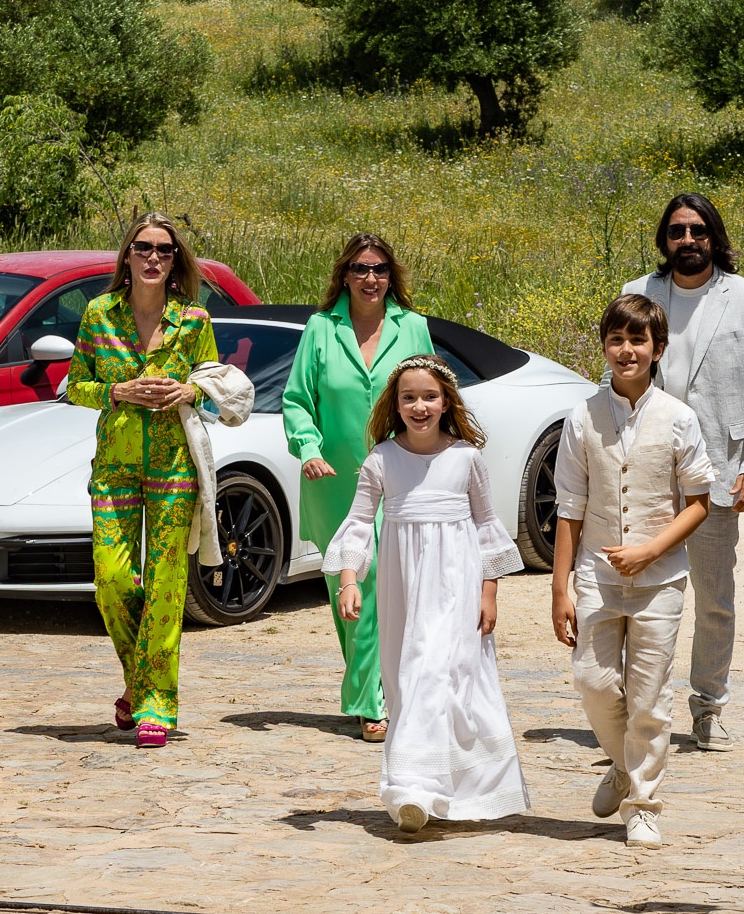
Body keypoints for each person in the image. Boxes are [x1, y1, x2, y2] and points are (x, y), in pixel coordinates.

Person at [324, 355, 530, 834]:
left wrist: (489, 592)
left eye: (429, 397)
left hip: (457, 586)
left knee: (445, 676)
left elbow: (486, 527)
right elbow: (358, 522)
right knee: (411, 678)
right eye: (409, 397)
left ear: (446, 402)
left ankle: (415, 790)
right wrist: (350, 579)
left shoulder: (466, 458)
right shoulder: (381, 459)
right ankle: (416, 788)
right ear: (395, 405)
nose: (419, 406)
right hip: (404, 589)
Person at [551, 295, 715, 848]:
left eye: (638, 340)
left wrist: (650, 550)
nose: (627, 350)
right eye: (616, 340)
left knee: (650, 697)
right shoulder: (581, 417)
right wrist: (560, 589)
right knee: (592, 682)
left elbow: (699, 502)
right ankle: (622, 765)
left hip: (659, 581)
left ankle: (642, 802)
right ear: (604, 347)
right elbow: (569, 508)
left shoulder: (679, 418)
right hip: (596, 578)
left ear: (657, 349)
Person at [618, 194, 744, 751]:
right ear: (664, 239)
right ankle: (642, 710)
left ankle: (709, 707)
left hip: (718, 473)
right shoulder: (638, 293)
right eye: (676, 231)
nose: (687, 240)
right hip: (649, 470)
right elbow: (619, 375)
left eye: (698, 230)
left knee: (713, 600)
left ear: (715, 236)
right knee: (642, 595)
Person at [68, 213, 222, 750]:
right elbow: (75, 385)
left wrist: (189, 392)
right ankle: (139, 681)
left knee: (165, 583)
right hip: (115, 463)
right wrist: (117, 391)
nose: (153, 257)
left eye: (164, 249)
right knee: (111, 578)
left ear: (176, 260)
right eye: (143, 247)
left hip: (174, 465)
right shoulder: (99, 313)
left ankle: (156, 702)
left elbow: (213, 384)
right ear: (127, 256)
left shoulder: (194, 320)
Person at [282, 234, 435, 742]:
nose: (371, 278)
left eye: (380, 269)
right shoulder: (320, 330)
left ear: (392, 275)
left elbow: (432, 394)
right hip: (332, 484)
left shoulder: (413, 327)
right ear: (344, 275)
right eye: (361, 269)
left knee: (382, 588)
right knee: (349, 594)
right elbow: (297, 400)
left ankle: (373, 700)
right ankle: (373, 691)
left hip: (400, 478)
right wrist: (308, 448)